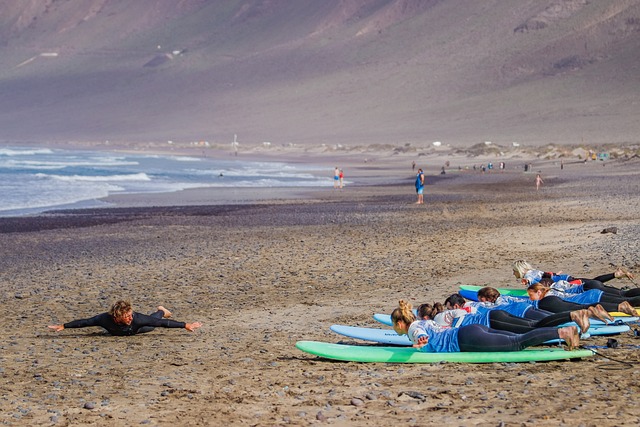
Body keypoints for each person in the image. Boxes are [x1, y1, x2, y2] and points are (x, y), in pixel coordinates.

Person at [391, 300, 580, 352]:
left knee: (516, 343)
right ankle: (563, 331)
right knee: (517, 336)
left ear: (400, 323)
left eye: (394, 326)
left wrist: (420, 340)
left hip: (465, 339)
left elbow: (419, 334)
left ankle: (563, 332)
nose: (394, 329)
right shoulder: (424, 320)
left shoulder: (415, 328)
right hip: (470, 330)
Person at [433, 293, 591, 334]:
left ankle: (573, 317)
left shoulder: (466, 308)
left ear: (454, 305)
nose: (449, 311)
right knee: (540, 323)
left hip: (507, 314)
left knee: (537, 325)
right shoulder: (474, 304)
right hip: (510, 310)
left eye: (449, 308)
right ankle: (574, 317)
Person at [48, 300, 202, 336]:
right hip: (120, 331)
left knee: (153, 323)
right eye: (126, 316)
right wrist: (64, 326)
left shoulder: (137, 319)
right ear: (117, 316)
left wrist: (185, 325)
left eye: (130, 315)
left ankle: (161, 310)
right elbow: (85, 322)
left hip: (137, 330)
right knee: (151, 320)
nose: (129, 318)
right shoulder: (104, 319)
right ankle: (161, 310)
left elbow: (163, 324)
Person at [476, 286, 613, 323]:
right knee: (570, 311)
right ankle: (592, 311)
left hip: (540, 305)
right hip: (545, 302)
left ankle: (590, 311)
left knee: (555, 318)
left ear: (485, 298)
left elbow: (488, 309)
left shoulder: (498, 303)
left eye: (480, 299)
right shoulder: (506, 297)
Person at [512, 260, 638, 297]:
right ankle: (615, 275)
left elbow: (544, 282)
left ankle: (616, 279)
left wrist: (530, 285)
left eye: (514, 271)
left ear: (519, 270)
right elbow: (548, 275)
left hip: (568, 283)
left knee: (593, 285)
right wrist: (556, 275)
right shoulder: (534, 271)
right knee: (594, 282)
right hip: (567, 278)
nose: (513, 274)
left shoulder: (528, 277)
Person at [527, 282, 640, 317]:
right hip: (591, 294)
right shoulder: (552, 289)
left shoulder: (548, 298)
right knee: (626, 297)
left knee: (628, 301)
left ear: (538, 292)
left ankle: (621, 307)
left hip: (588, 298)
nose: (530, 298)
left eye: (530, 295)